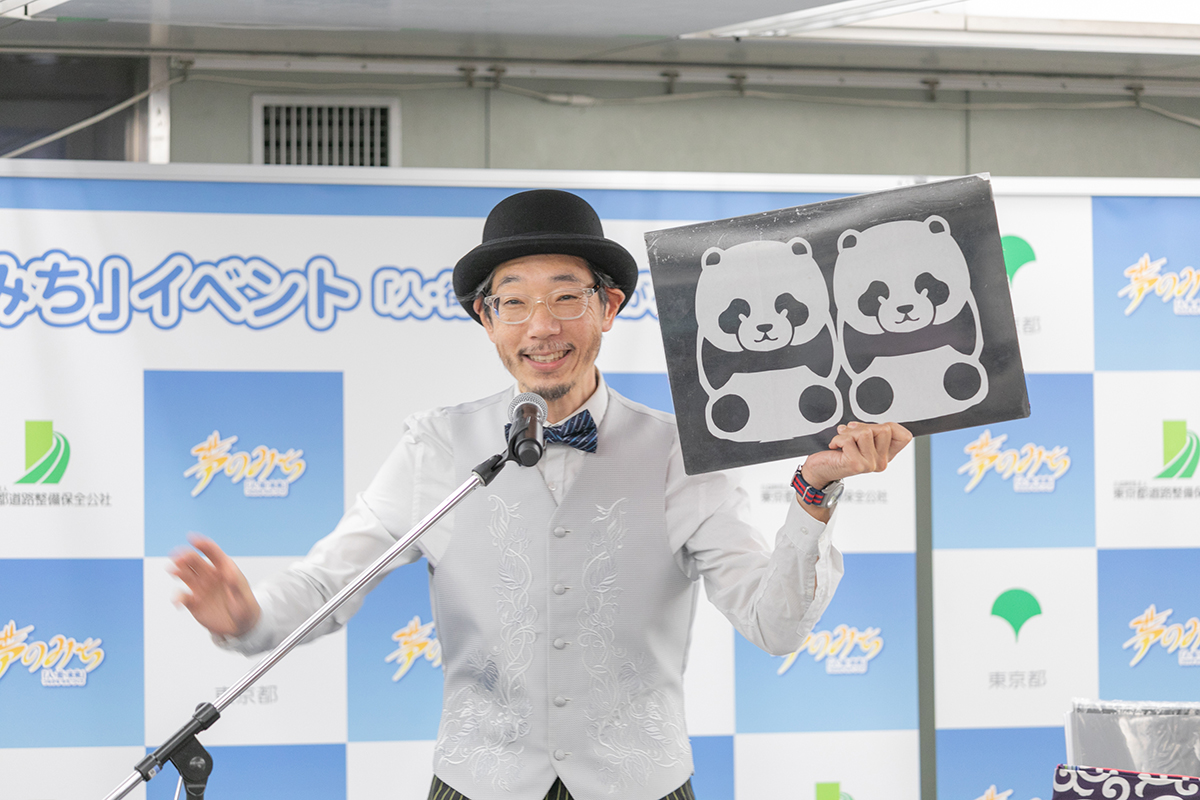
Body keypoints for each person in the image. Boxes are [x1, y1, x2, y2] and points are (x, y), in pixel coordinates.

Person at [169, 189, 912, 800]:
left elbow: (775, 625)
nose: (542, 327)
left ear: (609, 308)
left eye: (566, 298)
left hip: (642, 787)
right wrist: (250, 619)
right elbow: (330, 582)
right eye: (514, 303)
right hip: (476, 785)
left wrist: (813, 491)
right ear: (486, 319)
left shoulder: (680, 453)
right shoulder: (436, 446)